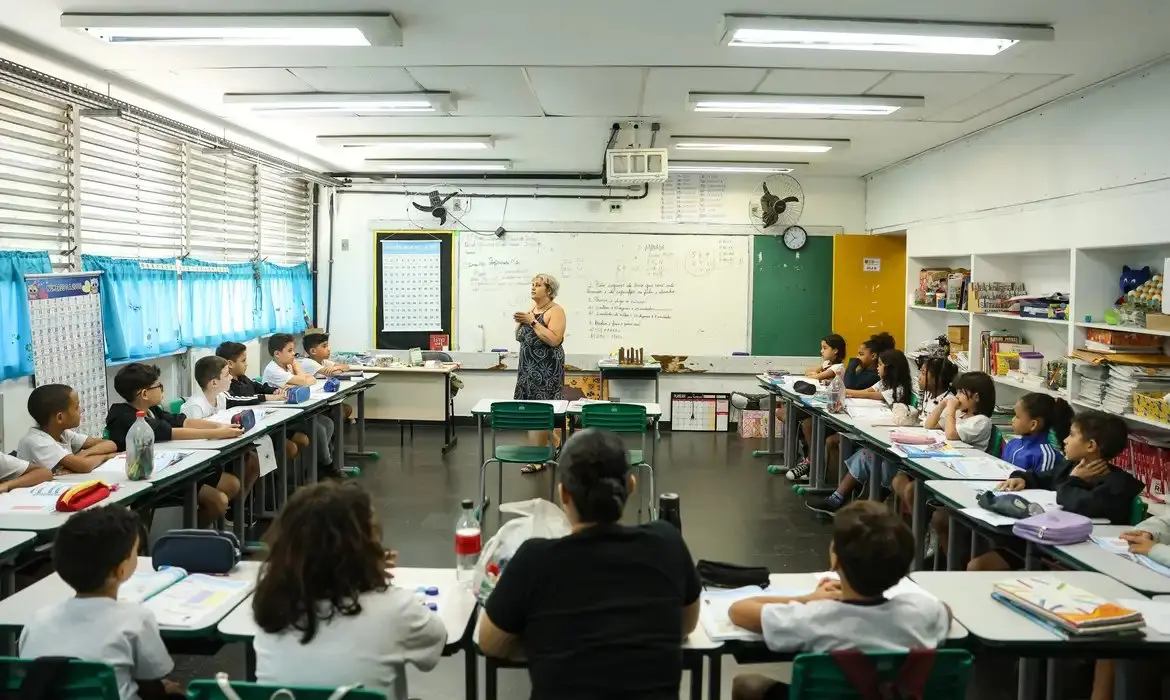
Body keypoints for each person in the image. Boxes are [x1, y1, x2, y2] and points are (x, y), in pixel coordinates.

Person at [479, 428, 701, 700]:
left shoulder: (534, 560)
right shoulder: (667, 544)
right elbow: (686, 625)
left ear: (564, 494)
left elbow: (490, 644)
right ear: (631, 485)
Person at [728, 501, 950, 700]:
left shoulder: (814, 617)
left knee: (747, 685)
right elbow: (946, 613)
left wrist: (807, 599)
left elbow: (738, 610)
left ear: (836, 563)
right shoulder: (923, 612)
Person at [251, 482, 445, 700]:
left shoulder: (273, 608)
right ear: (362, 547)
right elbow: (435, 640)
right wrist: (372, 576)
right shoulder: (394, 609)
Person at [19, 505, 179, 700]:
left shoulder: (37, 621)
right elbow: (151, 686)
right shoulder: (136, 619)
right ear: (120, 570)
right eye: (136, 552)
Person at [967, 410, 1142, 572]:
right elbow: (1043, 477)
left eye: (1072, 435)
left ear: (1091, 445)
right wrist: (1021, 478)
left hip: (1074, 554)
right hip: (1041, 541)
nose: (1065, 440)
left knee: (980, 565)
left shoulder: (1117, 485)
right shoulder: (1070, 466)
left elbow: (1074, 502)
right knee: (977, 565)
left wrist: (1075, 480)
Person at [106, 363, 243, 526]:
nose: (162, 389)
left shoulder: (153, 410)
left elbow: (182, 422)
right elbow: (171, 432)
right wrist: (217, 434)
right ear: (144, 394)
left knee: (231, 484)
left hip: (166, 472)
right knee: (218, 500)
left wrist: (219, 426)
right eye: (159, 386)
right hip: (145, 483)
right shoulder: (125, 416)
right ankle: (181, 540)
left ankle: (193, 534)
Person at [807, 348, 913, 516]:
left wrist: (844, 391)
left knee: (868, 455)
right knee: (865, 453)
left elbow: (871, 396)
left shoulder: (898, 389)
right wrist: (845, 392)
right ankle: (841, 497)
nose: (877, 368)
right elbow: (867, 392)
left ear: (890, 368)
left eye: (880, 365)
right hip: (880, 431)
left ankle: (844, 499)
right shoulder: (883, 382)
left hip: (891, 440)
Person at [785, 332, 893, 482]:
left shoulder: (874, 376)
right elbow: (852, 389)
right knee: (805, 422)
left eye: (861, 354)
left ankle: (819, 470)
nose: (858, 357)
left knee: (816, 429)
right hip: (849, 415)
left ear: (874, 357)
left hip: (860, 423)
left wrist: (853, 363)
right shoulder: (870, 376)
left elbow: (849, 386)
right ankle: (811, 463)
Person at [181, 356, 261, 497]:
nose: (230, 378)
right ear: (213, 383)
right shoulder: (195, 406)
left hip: (221, 450)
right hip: (202, 461)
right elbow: (193, 441)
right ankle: (232, 511)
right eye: (226, 375)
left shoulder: (221, 397)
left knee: (253, 459)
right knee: (238, 475)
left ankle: (238, 508)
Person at [512, 273, 566, 475]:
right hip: (527, 368)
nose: (533, 288)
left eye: (538, 285)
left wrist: (532, 322)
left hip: (546, 369)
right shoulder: (532, 310)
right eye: (532, 285)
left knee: (540, 411)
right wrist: (523, 322)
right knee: (529, 410)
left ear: (549, 291)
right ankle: (557, 441)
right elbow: (521, 337)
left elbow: (554, 340)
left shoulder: (556, 311)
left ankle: (538, 458)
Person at [769, 334, 846, 476]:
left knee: (802, 422)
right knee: (784, 413)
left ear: (835, 350)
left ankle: (811, 460)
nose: (821, 351)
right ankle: (804, 451)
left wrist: (814, 374)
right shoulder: (826, 364)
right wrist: (814, 373)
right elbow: (808, 372)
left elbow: (813, 376)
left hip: (827, 406)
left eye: (825, 348)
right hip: (817, 400)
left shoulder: (838, 367)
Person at [263, 334, 337, 478]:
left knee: (327, 423)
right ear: (277, 354)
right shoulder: (273, 370)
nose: (293, 354)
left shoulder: (287, 366)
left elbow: (311, 380)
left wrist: (298, 377)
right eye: (290, 351)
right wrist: (298, 373)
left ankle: (316, 465)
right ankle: (327, 466)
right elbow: (305, 381)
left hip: (293, 410)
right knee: (318, 429)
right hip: (279, 417)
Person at [216, 341, 303, 462]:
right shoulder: (227, 385)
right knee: (289, 447)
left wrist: (275, 391)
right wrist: (266, 397)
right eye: (243, 360)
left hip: (259, 425)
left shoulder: (243, 378)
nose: (246, 364)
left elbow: (258, 386)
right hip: (246, 432)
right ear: (230, 364)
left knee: (296, 442)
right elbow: (238, 400)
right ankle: (274, 478)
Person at [891, 357, 959, 510]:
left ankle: (921, 525)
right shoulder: (929, 396)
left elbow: (930, 425)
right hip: (921, 448)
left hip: (936, 457)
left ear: (938, 379)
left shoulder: (949, 402)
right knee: (898, 480)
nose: (919, 377)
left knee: (909, 488)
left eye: (923, 373)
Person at [17, 383, 117, 474]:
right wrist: (106, 457)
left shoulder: (63, 434)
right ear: (60, 417)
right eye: (76, 407)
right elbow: (85, 466)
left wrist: (83, 455)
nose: (81, 410)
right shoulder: (37, 441)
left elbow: (110, 444)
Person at [924, 371, 995, 451]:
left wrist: (951, 409)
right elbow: (929, 425)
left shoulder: (981, 421)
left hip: (968, 459)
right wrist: (942, 404)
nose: (957, 396)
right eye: (957, 391)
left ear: (976, 397)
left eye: (961, 392)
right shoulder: (960, 413)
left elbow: (951, 435)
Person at [1002, 393, 1072, 472]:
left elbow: (1042, 483)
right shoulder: (1012, 444)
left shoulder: (1045, 455)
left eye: (1017, 417)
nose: (1012, 420)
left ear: (1033, 425)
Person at [300, 331, 356, 423]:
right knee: (340, 412)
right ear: (313, 351)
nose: (328, 349)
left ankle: (335, 426)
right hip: (313, 401)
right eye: (324, 346)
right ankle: (334, 432)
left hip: (324, 397)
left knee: (347, 409)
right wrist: (335, 369)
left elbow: (346, 367)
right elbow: (334, 373)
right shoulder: (308, 363)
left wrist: (336, 368)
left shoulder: (323, 361)